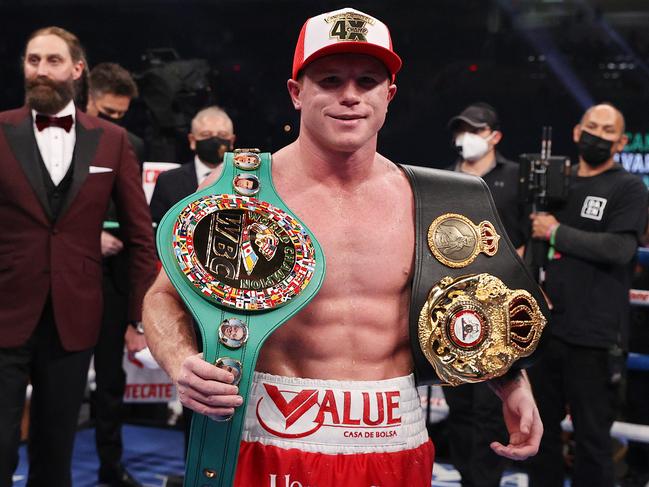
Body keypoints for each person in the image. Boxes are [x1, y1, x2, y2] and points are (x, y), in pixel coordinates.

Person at [142, 8, 542, 487]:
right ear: (297, 92)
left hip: (394, 438)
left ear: (388, 95)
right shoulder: (241, 194)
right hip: (270, 440)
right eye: (330, 80)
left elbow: (480, 308)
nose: (350, 96)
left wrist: (512, 381)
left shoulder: (432, 201)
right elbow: (162, 297)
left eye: (367, 81)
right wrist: (182, 362)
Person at [0, 27, 157, 487]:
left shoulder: (111, 141)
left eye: (52, 60)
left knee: (55, 454)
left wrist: (140, 318)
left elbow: (139, 235)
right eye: (32, 60)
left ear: (76, 69)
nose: (40, 70)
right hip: (5, 309)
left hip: (75, 315)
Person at [527, 103, 648, 487]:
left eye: (607, 129)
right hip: (546, 331)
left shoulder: (627, 187)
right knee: (539, 436)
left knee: (593, 442)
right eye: (591, 126)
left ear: (621, 141)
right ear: (578, 132)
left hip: (595, 338)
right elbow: (532, 245)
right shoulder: (556, 183)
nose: (598, 134)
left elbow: (620, 249)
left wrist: (557, 233)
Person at [443, 102, 529, 486]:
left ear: (494, 136)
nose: (467, 137)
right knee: (459, 405)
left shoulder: (516, 177)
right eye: (462, 129)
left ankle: (484, 481)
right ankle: (466, 478)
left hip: (501, 310)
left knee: (489, 407)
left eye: (475, 130)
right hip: (449, 308)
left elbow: (531, 238)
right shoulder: (442, 180)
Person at [86, 62, 149, 487]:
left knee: (110, 378)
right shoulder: (48, 141)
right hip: (58, 274)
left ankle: (111, 467)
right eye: (106, 115)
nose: (114, 125)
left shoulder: (130, 144)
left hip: (111, 280)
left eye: (121, 117)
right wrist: (87, 239)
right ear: (86, 98)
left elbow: (134, 219)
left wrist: (135, 313)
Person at [149, 106, 235, 225]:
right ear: (192, 140)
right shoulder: (168, 181)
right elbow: (156, 227)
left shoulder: (246, 181)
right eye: (206, 135)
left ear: (231, 141)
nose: (215, 140)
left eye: (222, 135)